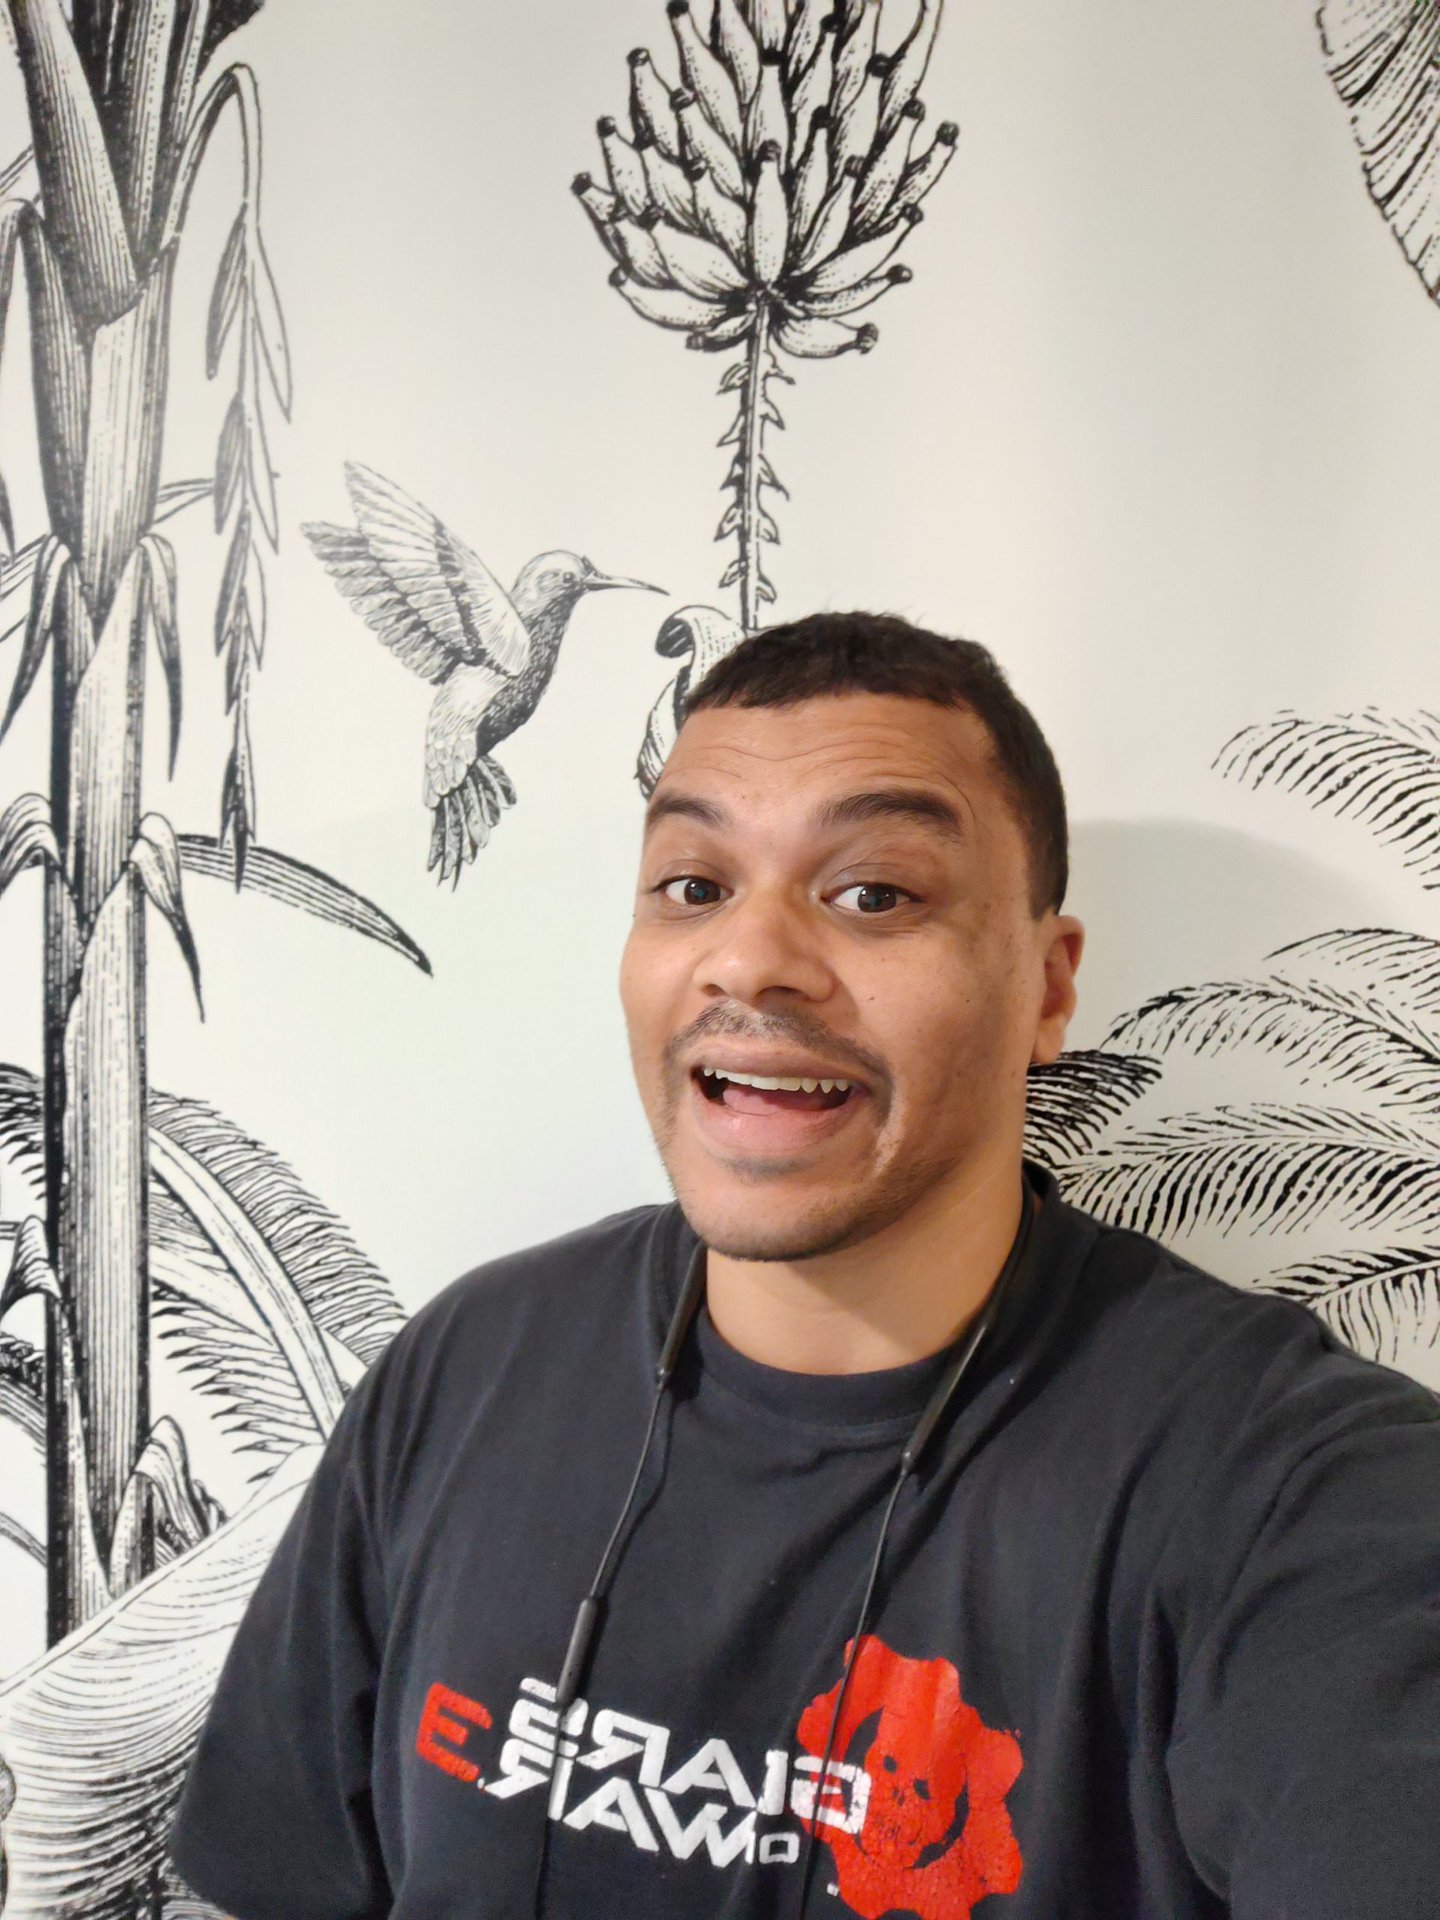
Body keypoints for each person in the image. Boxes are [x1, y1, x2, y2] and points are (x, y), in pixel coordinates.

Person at [169, 612, 1440, 1920]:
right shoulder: (468, 1364)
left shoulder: (1299, 1491)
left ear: (1048, 989)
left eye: (873, 894)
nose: (749, 961)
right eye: (693, 887)